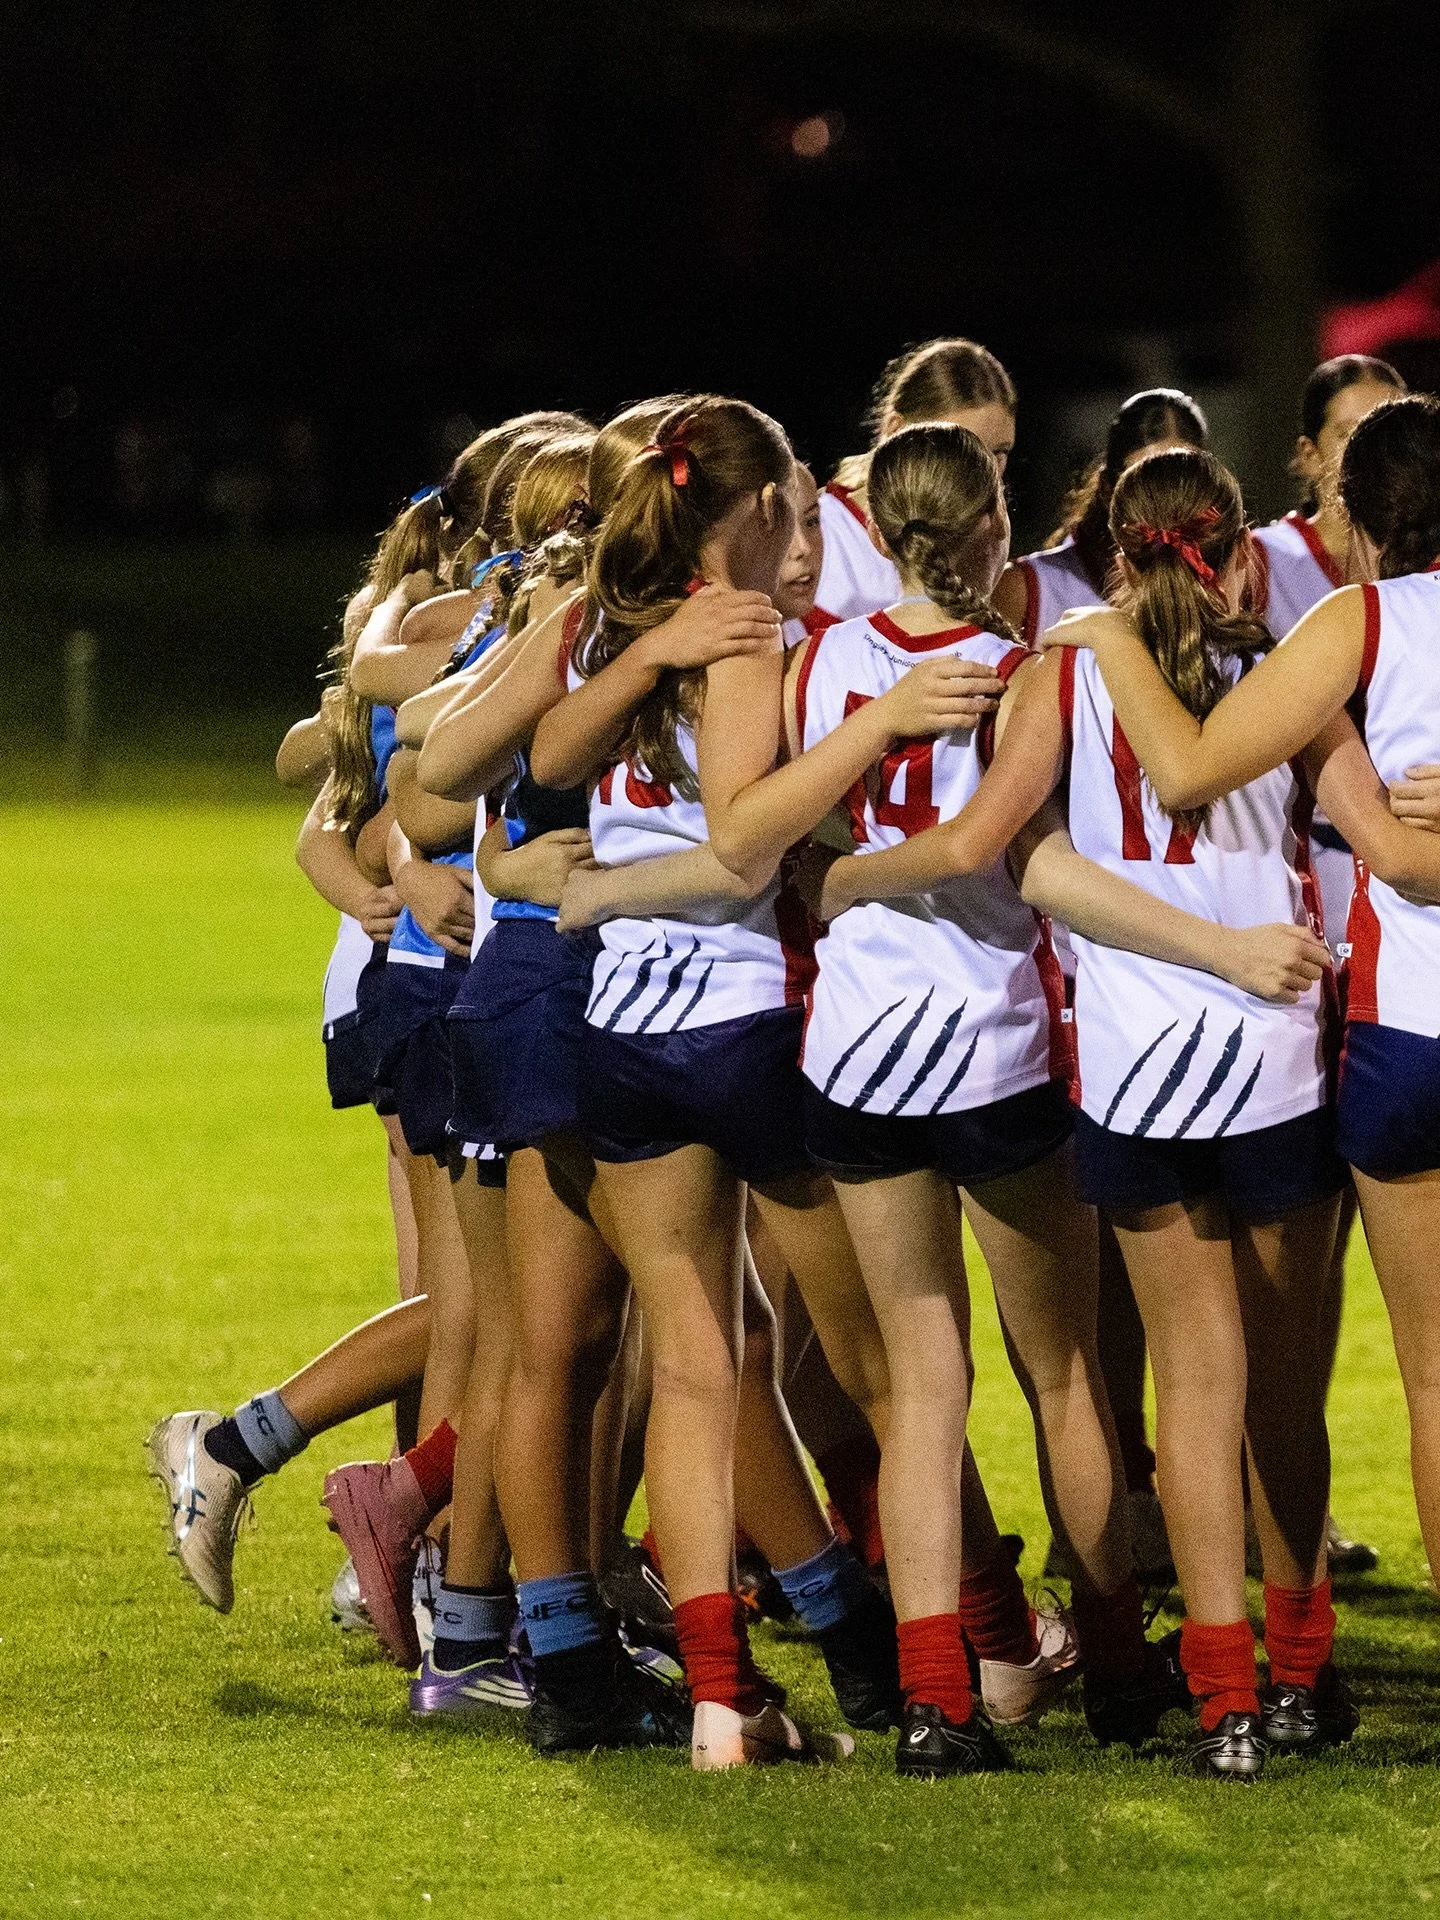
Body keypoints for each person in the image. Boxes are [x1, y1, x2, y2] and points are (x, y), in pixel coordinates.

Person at [701, 422, 1325, 1774]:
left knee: (920, 1387)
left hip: (857, 1054)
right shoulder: (1024, 667)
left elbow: (750, 830)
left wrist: (848, 865)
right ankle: (1112, 1660)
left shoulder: (817, 662)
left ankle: (939, 1700)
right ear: (995, 526)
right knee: (1062, 1382)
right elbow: (1003, 848)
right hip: (995, 1051)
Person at [1044, 400, 1440, 1754]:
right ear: (1244, 553)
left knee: (1192, 1390)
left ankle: (1223, 1695)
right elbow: (1363, 822)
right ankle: (1303, 1664)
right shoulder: (1281, 656)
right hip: (1275, 1065)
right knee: (1284, 1386)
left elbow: (1033, 854)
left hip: (1142, 1069)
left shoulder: (1070, 672)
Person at [994, 388, 1211, 1581]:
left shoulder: (1082, 652)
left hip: (1126, 1014)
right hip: (1190, 1018)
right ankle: (1265, 1647)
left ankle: (1149, 1603)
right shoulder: (1290, 660)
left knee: (1139, 1329)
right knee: (1203, 1355)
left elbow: (1014, 839)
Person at [1250, 354, 1410, 1579]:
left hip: (1398, 1030)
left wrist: (1336, 752)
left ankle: (1284, 1648)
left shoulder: (1350, 624)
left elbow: (1194, 766)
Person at [815, 338, 1017, 627]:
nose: (985, 470)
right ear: (896, 429)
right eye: (958, 447)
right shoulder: (817, 533)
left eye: (999, 452)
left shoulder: (984, 540)